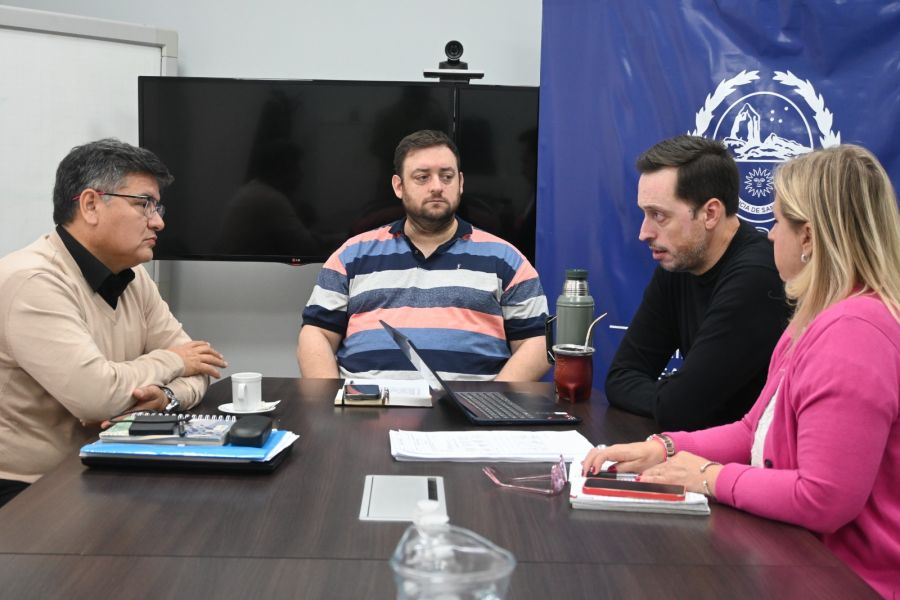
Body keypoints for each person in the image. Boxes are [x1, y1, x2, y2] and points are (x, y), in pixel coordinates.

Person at [583, 145, 900, 598]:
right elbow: (753, 430)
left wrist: (709, 476)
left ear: (809, 238)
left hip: (850, 580)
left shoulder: (854, 334)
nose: (769, 236)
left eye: (778, 222)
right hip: (803, 560)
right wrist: (665, 447)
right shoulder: (815, 320)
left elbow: (823, 498)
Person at [0, 139, 227, 507]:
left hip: (106, 467)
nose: (158, 221)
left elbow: (201, 368)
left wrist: (166, 398)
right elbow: (98, 398)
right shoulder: (32, 281)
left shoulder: (134, 277)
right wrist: (173, 361)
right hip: (29, 489)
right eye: (143, 204)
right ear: (91, 205)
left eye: (157, 207)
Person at [298, 129, 549, 381]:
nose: (437, 187)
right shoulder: (351, 256)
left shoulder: (507, 260)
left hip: (468, 406)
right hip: (366, 404)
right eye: (422, 177)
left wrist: (491, 400)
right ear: (399, 186)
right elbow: (316, 334)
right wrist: (330, 400)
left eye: (447, 176)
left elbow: (536, 345)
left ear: (460, 183)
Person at [606, 135, 790, 430]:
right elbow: (621, 377)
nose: (644, 232)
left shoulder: (757, 277)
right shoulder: (678, 262)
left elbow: (682, 408)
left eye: (659, 215)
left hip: (753, 454)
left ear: (710, 213)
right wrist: (670, 399)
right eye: (645, 214)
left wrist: (675, 401)